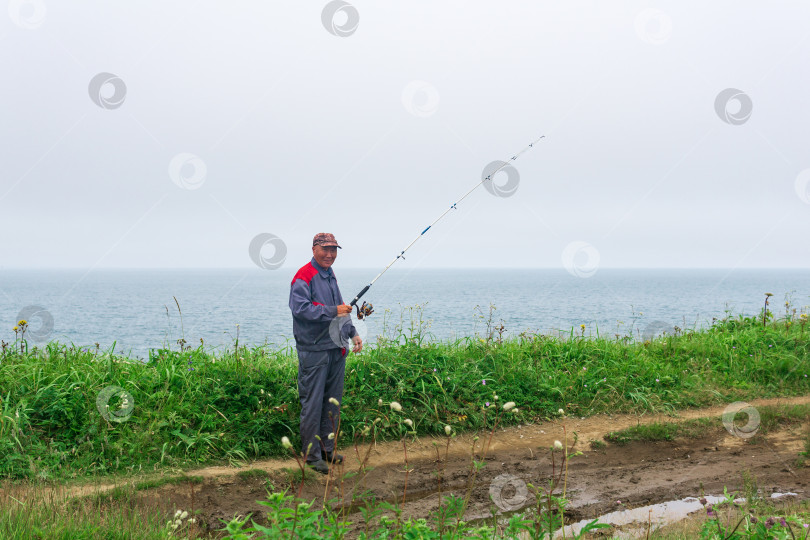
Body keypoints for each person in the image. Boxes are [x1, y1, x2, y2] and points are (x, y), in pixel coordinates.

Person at [288, 232, 363, 474]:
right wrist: (333, 310)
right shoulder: (303, 276)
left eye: (334, 250)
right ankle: (312, 456)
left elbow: (341, 309)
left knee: (332, 402)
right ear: (314, 249)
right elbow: (301, 309)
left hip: (336, 348)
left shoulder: (330, 275)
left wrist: (353, 334)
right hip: (313, 350)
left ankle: (327, 449)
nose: (330, 254)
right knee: (312, 403)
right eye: (325, 249)